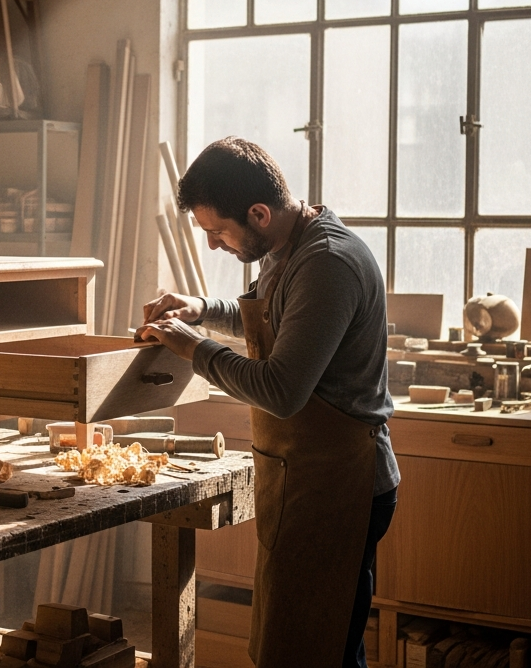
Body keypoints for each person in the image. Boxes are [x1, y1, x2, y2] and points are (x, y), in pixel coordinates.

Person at [136, 136, 400, 668]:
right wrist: (201, 309)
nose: (212, 245)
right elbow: (276, 319)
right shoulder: (288, 246)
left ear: (259, 212)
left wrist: (195, 349)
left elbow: (282, 389)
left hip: (340, 485)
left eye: (217, 232)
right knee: (305, 642)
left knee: (318, 650)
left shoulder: (329, 262)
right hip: (303, 475)